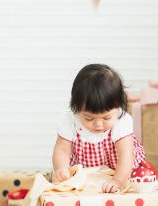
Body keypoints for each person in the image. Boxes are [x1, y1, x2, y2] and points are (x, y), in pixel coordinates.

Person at [52, 63, 150, 192]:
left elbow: (126, 154)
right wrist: (61, 169)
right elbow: (62, 150)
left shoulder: (122, 121)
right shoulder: (70, 120)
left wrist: (118, 180)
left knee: (137, 181)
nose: (98, 125)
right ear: (75, 108)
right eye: (89, 118)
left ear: (119, 107)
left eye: (106, 118)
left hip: (120, 171)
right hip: (87, 173)